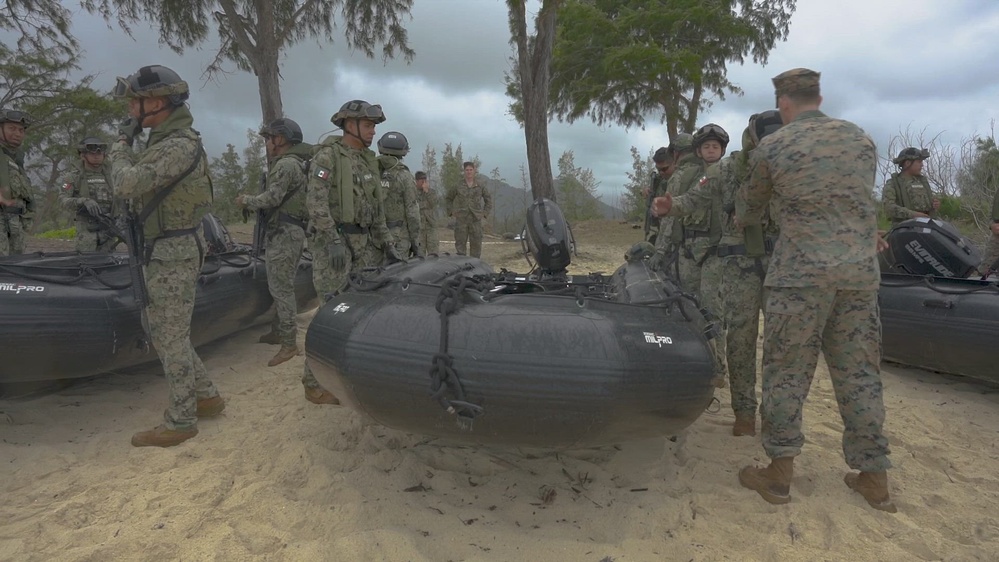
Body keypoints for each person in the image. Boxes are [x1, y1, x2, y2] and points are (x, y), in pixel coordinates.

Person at [736, 68, 895, 512]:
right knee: (860, 374)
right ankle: (874, 479)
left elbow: (748, 210)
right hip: (859, 276)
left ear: (783, 103)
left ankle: (780, 476)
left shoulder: (774, 145)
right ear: (819, 97)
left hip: (800, 277)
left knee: (787, 372)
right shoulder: (860, 139)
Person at [109, 64, 223, 447]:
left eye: (134, 103)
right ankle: (205, 396)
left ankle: (181, 420)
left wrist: (119, 145)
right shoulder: (165, 141)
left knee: (168, 336)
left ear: (156, 102)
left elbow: (126, 183)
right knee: (167, 331)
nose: (129, 112)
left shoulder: (176, 145)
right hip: (166, 247)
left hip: (173, 252)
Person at [303, 99, 401, 405]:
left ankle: (347, 372)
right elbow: (315, 203)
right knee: (330, 313)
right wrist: (331, 238)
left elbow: (377, 209)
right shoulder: (328, 157)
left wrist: (388, 244)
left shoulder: (367, 161)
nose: (373, 132)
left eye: (374, 127)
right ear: (350, 124)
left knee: (360, 311)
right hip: (335, 247)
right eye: (369, 126)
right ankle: (313, 382)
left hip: (365, 247)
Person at [650, 124, 733, 390]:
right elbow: (679, 207)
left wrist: (660, 252)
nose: (710, 151)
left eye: (715, 147)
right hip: (696, 250)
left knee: (699, 307)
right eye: (706, 147)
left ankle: (712, 365)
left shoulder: (715, 174)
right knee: (707, 309)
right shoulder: (707, 176)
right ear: (696, 149)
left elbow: (670, 222)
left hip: (704, 251)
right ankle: (713, 364)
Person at [235, 118, 311, 367]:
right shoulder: (296, 164)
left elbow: (272, 198)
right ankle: (278, 331)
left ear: (281, 139)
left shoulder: (286, 165)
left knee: (282, 289)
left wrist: (247, 200)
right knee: (281, 285)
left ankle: (288, 343)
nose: (267, 143)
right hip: (291, 231)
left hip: (285, 232)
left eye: (269, 138)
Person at [60, 137, 118, 253]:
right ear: (82, 155)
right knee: (86, 266)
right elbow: (62, 201)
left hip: (109, 232)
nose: (96, 156)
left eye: (99, 152)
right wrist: (83, 201)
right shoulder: (72, 177)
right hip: (86, 232)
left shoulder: (113, 176)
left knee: (109, 267)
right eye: (92, 153)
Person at [376, 131, 422, 257]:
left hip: (372, 237)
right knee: (395, 274)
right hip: (398, 238)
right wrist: (415, 241)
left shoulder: (370, 170)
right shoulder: (404, 176)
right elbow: (412, 212)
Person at [0, 108, 35, 256]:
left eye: (21, 130)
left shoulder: (15, 159)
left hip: (16, 225)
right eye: (11, 128)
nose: (17, 134)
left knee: (16, 272)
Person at [882, 147, 939, 226]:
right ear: (907, 163)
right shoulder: (893, 183)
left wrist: (934, 205)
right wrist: (913, 214)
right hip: (904, 228)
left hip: (927, 226)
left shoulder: (922, 182)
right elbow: (889, 208)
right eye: (919, 162)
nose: (922, 165)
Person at [446, 161, 492, 257]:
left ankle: (475, 269)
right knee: (460, 247)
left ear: (474, 171)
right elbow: (448, 198)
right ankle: (462, 268)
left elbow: (488, 200)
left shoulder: (480, 185)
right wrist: (451, 212)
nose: (469, 172)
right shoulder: (458, 185)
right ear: (464, 171)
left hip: (475, 220)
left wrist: (484, 213)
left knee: (476, 247)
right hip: (461, 220)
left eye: (471, 170)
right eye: (467, 170)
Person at [643, 146, 675, 244]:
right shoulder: (659, 181)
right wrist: (646, 192)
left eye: (664, 169)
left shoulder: (683, 180)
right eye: (658, 169)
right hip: (662, 230)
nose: (661, 172)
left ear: (674, 163)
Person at [414, 171, 440, 254]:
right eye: (421, 179)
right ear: (416, 181)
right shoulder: (412, 193)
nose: (423, 182)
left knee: (433, 252)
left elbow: (433, 204)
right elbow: (414, 206)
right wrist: (425, 204)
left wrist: (427, 192)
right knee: (419, 253)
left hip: (431, 226)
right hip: (419, 227)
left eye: (425, 179)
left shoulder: (431, 192)